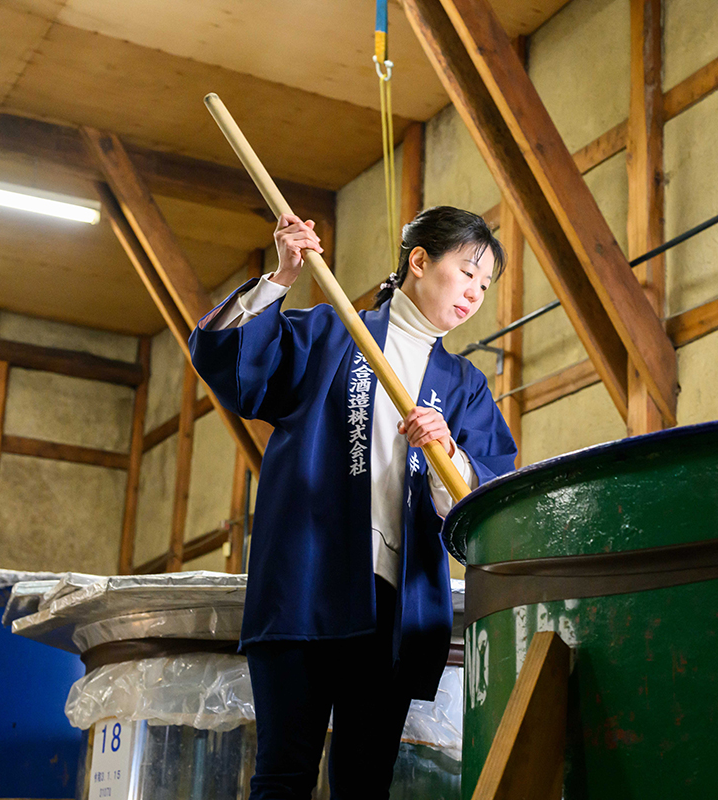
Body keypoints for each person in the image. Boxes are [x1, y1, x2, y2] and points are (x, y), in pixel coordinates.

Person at [189, 205, 517, 799]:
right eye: (467, 272)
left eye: (485, 284)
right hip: (304, 585)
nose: (475, 292)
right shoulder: (329, 333)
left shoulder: (465, 385)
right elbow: (232, 366)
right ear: (418, 261)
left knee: (364, 783)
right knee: (283, 773)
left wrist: (449, 455)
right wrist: (282, 276)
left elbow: (487, 500)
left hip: (393, 607)